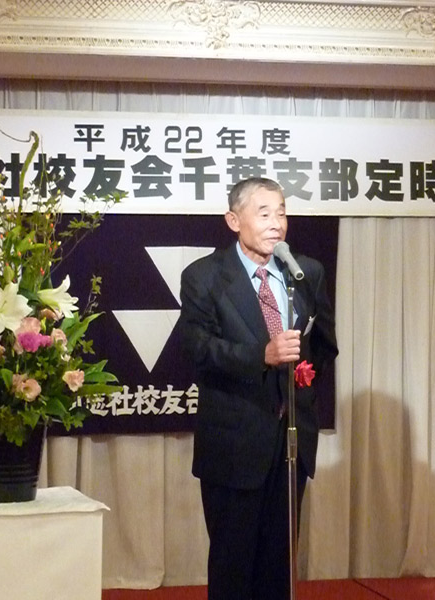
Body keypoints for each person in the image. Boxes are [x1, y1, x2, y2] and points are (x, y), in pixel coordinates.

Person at [179, 177, 338, 600]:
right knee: (233, 566)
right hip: (235, 443)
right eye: (264, 213)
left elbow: (324, 345)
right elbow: (196, 348)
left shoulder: (305, 273)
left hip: (291, 443)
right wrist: (261, 356)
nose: (276, 223)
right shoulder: (204, 277)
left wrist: (301, 381)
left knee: (279, 566)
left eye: (282, 212)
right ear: (234, 220)